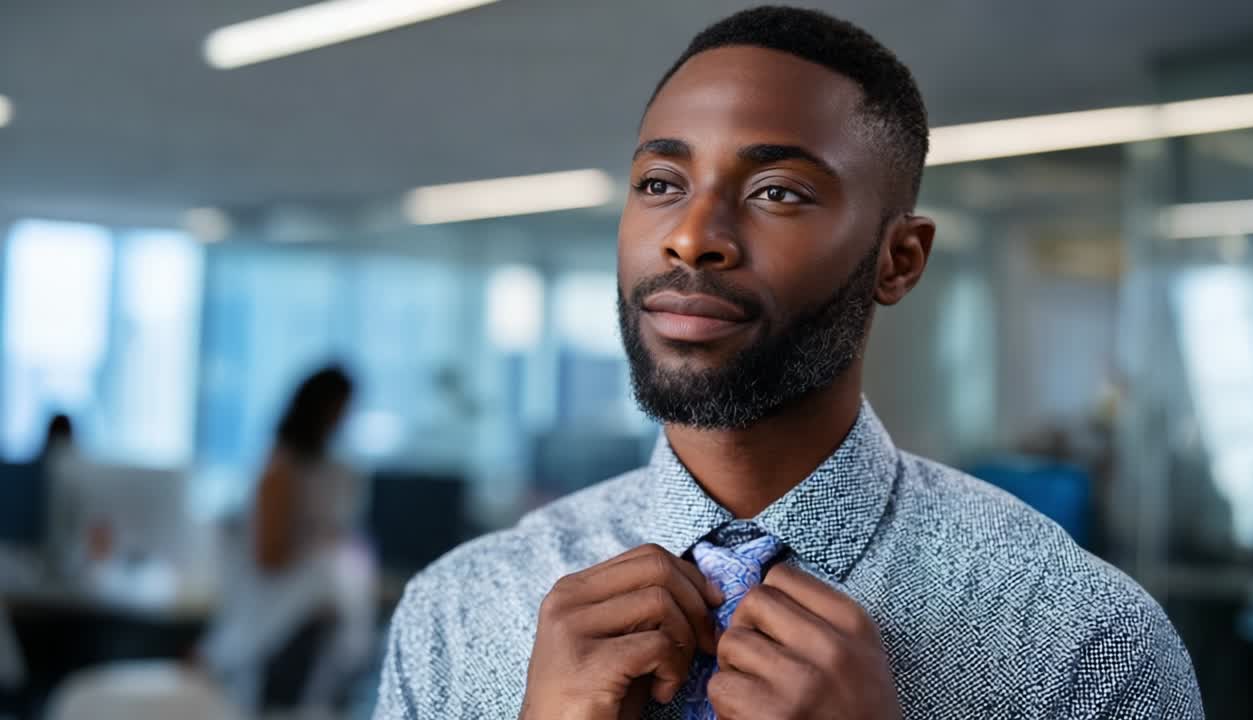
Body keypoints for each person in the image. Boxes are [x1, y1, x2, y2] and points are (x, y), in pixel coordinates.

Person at [374, 7, 1203, 719]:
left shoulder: (1084, 641)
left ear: (900, 260)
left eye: (778, 192)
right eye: (660, 182)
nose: (692, 235)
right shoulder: (460, 609)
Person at [201, 365, 375, 713]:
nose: (344, 417)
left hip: (316, 621)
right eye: (340, 407)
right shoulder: (280, 472)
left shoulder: (334, 471)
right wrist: (321, 553)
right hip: (277, 616)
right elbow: (270, 555)